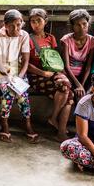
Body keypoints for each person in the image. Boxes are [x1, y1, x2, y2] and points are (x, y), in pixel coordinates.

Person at [27, 8, 73, 141]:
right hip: (35, 76)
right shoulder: (28, 39)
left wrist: (59, 73)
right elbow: (26, 63)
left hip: (51, 73)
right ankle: (60, 129)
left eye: (39, 21)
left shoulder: (50, 38)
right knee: (68, 95)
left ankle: (55, 121)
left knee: (68, 92)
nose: (36, 24)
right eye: (33, 21)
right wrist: (43, 73)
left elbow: (53, 59)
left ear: (45, 21)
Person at [0, 10, 38, 144]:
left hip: (18, 70)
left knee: (22, 93)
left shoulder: (24, 35)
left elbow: (25, 61)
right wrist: (8, 76)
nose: (16, 29)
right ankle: (4, 124)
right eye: (12, 26)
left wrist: (19, 77)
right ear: (5, 25)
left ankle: (27, 123)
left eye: (19, 25)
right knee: (8, 91)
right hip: (1, 70)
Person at [61, 9, 94, 102]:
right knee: (71, 94)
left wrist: (82, 84)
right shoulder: (66, 40)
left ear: (88, 24)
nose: (82, 27)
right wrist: (78, 85)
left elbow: (88, 67)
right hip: (68, 74)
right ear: (72, 26)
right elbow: (67, 66)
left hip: (84, 76)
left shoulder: (92, 41)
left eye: (84, 24)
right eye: (77, 25)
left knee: (85, 94)